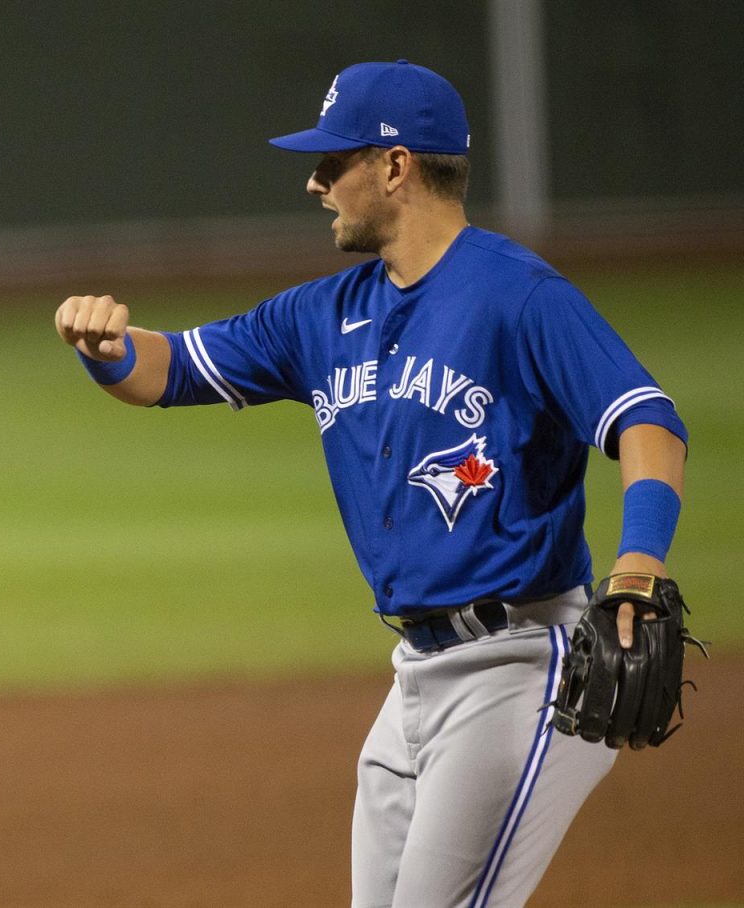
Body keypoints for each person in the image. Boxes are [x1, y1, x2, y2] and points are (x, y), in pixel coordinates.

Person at [54, 60, 688, 906]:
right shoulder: (323, 313)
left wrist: (639, 566)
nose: (315, 182)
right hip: (415, 678)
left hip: (522, 665)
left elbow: (647, 422)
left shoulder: (519, 295)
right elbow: (172, 370)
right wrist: (107, 350)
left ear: (396, 166)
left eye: (333, 161)